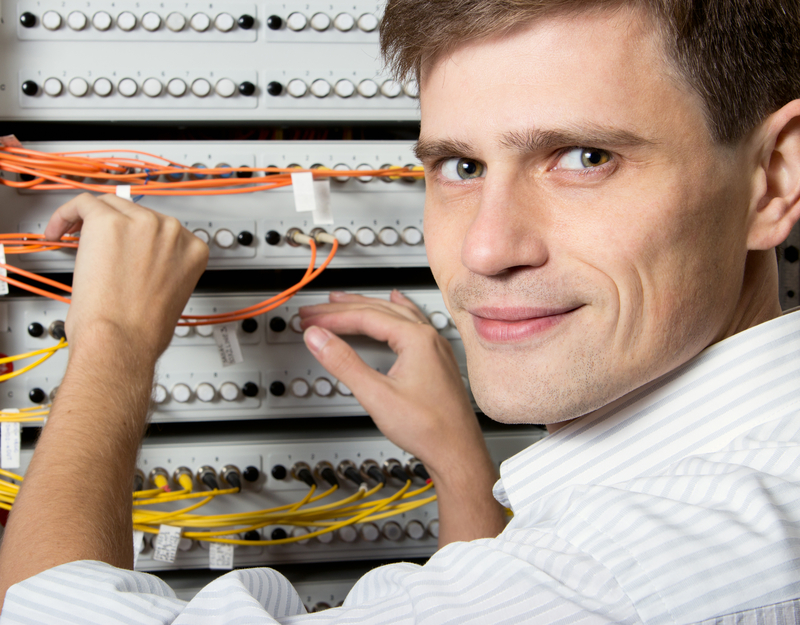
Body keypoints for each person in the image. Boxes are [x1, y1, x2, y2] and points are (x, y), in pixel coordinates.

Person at [2, 0, 800, 622]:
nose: (487, 250)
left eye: (585, 158)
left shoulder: (635, 574)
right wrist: (464, 473)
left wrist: (110, 340)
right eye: (458, 165)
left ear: (773, 178)